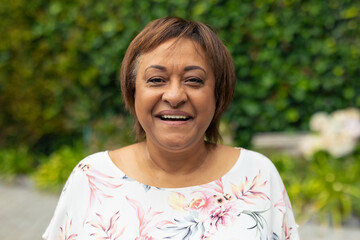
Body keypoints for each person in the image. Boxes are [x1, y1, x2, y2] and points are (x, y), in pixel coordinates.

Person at [43, 17, 299, 239]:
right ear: (133, 92)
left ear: (217, 94)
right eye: (156, 80)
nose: (175, 95)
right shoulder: (92, 177)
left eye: (194, 80)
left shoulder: (257, 176)